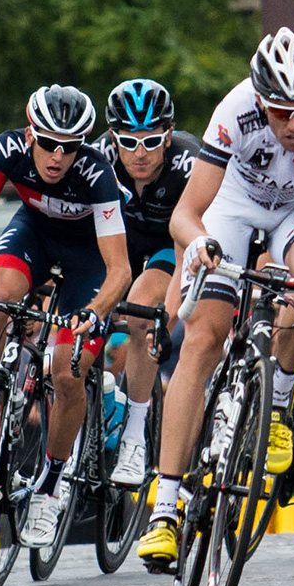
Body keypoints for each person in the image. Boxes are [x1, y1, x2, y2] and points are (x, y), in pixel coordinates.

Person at [135, 28, 294, 568]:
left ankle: (275, 403)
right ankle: (163, 511)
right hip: (234, 205)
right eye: (280, 112)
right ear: (260, 101)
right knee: (203, 340)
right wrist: (198, 242)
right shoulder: (235, 111)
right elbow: (186, 213)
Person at [0, 84, 132, 546]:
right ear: (30, 135)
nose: (57, 156)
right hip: (34, 235)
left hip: (88, 258)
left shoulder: (97, 174)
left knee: (66, 374)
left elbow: (120, 270)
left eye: (69, 146)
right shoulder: (7, 149)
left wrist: (95, 312)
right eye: (48, 143)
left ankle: (49, 488)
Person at [92, 79, 200, 487]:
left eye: (152, 141)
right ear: (112, 136)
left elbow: (187, 245)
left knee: (141, 315)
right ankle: (99, 394)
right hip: (116, 243)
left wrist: (165, 320)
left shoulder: (189, 162)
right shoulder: (99, 159)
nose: (140, 153)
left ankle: (135, 436)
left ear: (168, 136)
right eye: (129, 141)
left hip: (167, 246)